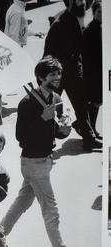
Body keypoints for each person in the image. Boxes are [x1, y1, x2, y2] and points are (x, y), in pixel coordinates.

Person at [0, 56, 91, 247]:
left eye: (59, 73)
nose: (57, 78)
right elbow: (21, 136)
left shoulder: (57, 99)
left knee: (21, 204)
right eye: (52, 74)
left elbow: (55, 132)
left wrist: (62, 131)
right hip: (32, 162)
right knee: (51, 210)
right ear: (41, 77)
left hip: (46, 160)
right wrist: (42, 118)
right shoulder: (27, 102)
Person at [44, 0, 102, 151]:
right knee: (49, 107)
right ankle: (48, 139)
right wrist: (50, 76)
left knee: (81, 107)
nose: (82, 3)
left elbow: (79, 48)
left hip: (73, 74)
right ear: (68, 3)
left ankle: (89, 139)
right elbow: (48, 53)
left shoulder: (73, 19)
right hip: (58, 76)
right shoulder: (58, 24)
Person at [83, 0, 102, 139]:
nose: (101, 15)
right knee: (94, 102)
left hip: (101, 70)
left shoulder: (104, 27)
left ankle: (91, 129)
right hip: (93, 72)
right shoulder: (89, 30)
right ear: (93, 13)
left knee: (97, 102)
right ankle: (90, 130)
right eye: (99, 12)